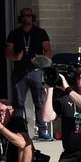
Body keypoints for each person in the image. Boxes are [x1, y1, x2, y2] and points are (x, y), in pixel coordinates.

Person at [7, 8, 53, 138]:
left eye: (28, 16)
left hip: (36, 71)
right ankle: (19, 129)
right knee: (18, 103)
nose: (26, 18)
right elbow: (8, 52)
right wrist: (15, 57)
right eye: (24, 16)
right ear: (20, 18)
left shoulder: (40, 32)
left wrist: (41, 59)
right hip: (19, 71)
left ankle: (42, 130)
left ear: (32, 18)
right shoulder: (14, 34)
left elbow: (49, 51)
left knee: (39, 101)